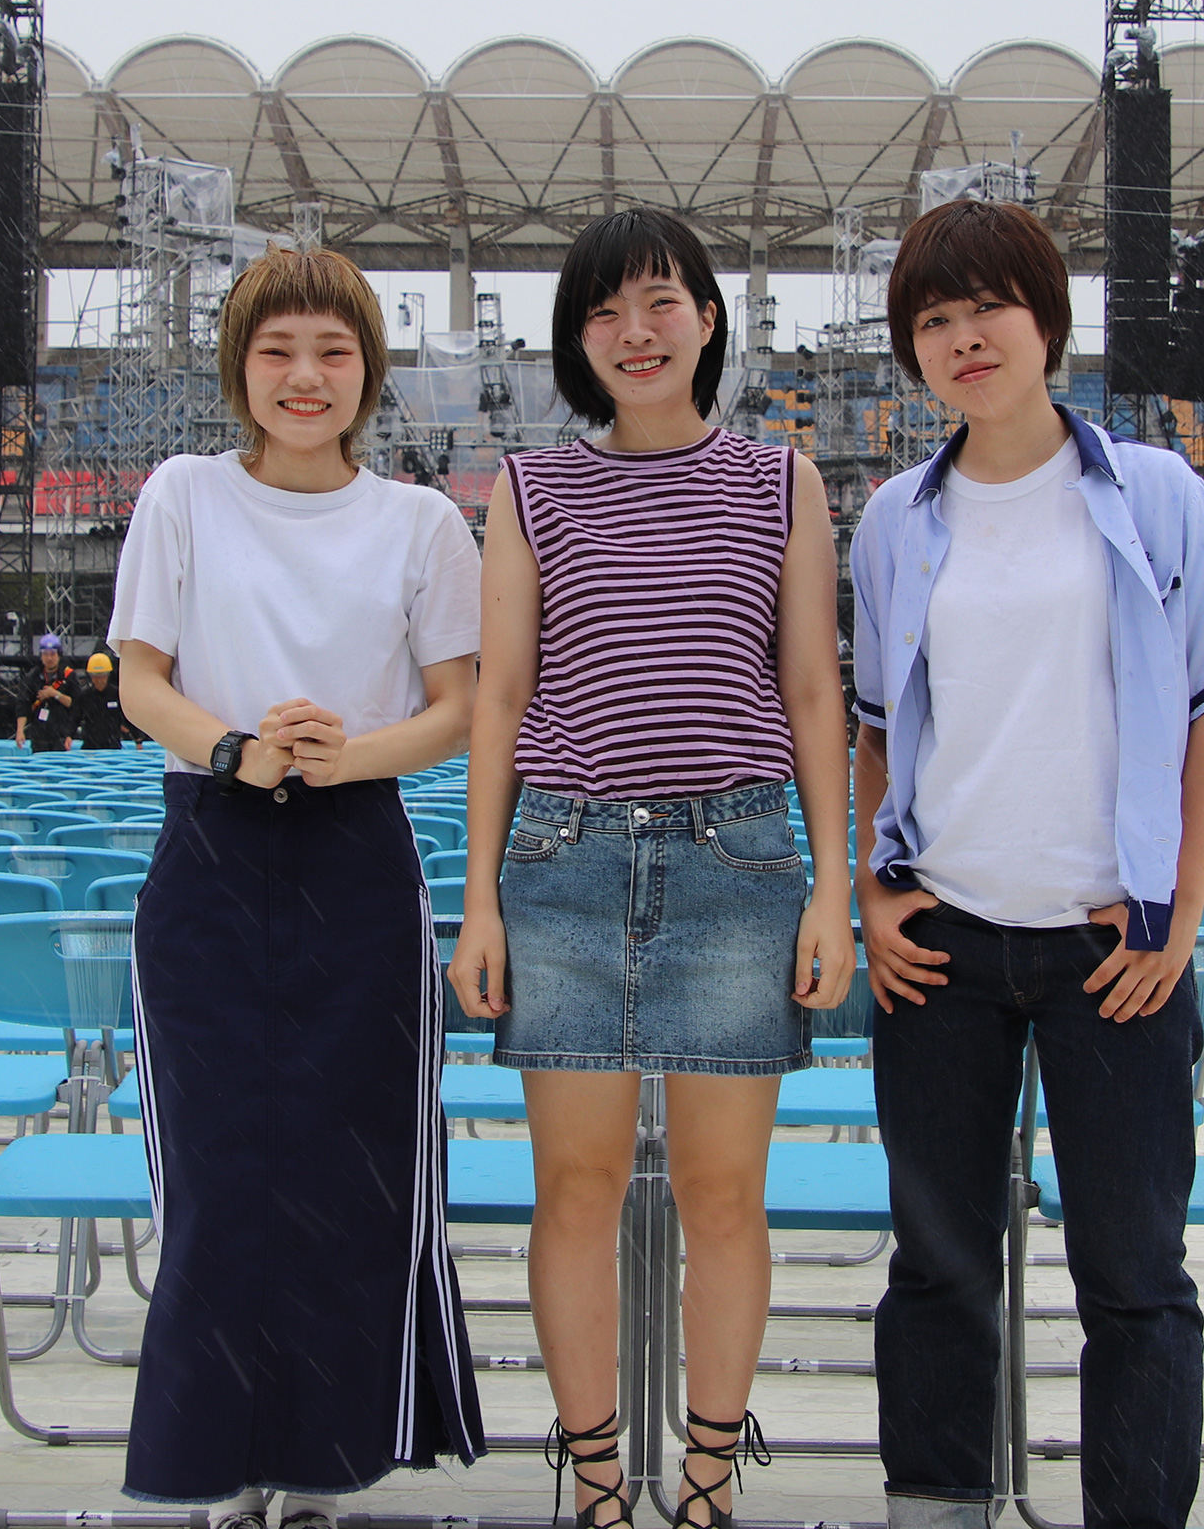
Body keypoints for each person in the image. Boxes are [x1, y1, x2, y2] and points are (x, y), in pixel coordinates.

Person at [848, 197, 1204, 1529]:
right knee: (938, 1266)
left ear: (1046, 320)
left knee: (1133, 1274)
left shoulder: (1155, 493)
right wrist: (875, 885)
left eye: (989, 306)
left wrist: (1178, 913)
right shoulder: (894, 519)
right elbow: (879, 730)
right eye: (935, 318)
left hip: (1114, 948)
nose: (965, 337)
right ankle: (938, 1507)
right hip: (946, 946)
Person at [448, 208, 853, 1529]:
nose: (636, 331)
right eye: (605, 310)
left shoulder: (782, 481)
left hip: (738, 860)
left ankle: (710, 1483)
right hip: (564, 859)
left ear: (709, 319)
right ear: (577, 340)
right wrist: (480, 901)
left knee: (725, 1198)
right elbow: (502, 697)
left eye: (661, 301)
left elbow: (811, 689)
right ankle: (596, 1483)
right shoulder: (528, 489)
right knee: (574, 1191)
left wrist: (831, 885)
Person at [110, 244, 485, 1515]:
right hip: (212, 849)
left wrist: (341, 755)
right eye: (278, 350)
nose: (305, 374)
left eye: (333, 349)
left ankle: (325, 1464)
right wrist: (235, 748)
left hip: (357, 856)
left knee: (351, 1175)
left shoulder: (420, 521)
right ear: (242, 368)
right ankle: (218, 1459)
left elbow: (459, 707)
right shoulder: (183, 493)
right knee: (217, 1173)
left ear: (368, 370)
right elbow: (141, 678)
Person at [15, 635, 75, 751]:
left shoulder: (69, 676)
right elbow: (22, 704)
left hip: (61, 735)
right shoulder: (32, 677)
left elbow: (75, 703)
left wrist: (55, 694)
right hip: (39, 735)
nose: (49, 658)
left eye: (52, 654)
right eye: (45, 654)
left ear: (59, 655)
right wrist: (20, 731)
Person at [68, 651, 128, 750]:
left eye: (102, 676)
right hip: (90, 746)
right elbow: (75, 718)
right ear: (91, 676)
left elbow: (128, 717)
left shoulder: (117, 694)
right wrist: (69, 736)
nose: (99, 680)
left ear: (108, 675)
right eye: (96, 676)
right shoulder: (84, 696)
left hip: (112, 746)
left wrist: (137, 739)